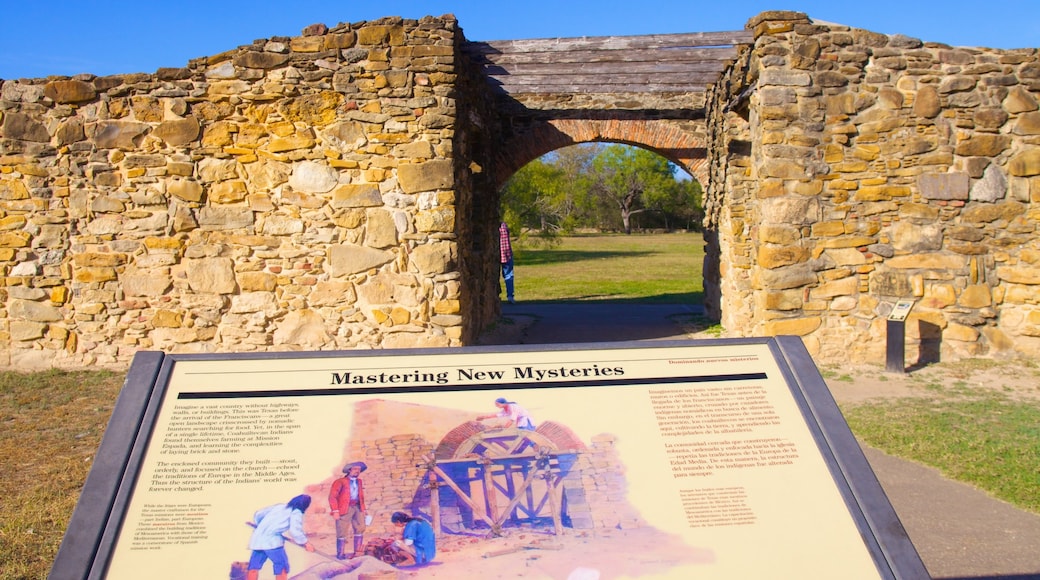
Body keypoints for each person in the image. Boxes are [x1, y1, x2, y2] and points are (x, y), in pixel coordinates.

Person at [246, 494, 315, 580]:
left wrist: (262, 527)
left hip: (258, 539)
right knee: (281, 566)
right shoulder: (296, 512)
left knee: (254, 567)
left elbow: (258, 515)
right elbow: (295, 531)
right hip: (272, 542)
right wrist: (306, 543)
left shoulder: (280, 506)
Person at [329, 461, 369, 559]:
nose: (357, 471)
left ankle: (357, 553)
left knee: (360, 528)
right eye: (355, 469)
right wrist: (335, 511)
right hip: (344, 508)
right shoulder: (340, 482)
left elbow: (361, 496)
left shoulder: (359, 481)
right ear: (349, 470)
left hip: (357, 507)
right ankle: (340, 554)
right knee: (341, 530)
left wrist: (363, 509)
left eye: (359, 470)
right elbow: (332, 497)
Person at [499, 221, 515, 304]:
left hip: (499, 255)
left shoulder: (498, 227)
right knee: (509, 275)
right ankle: (510, 296)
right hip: (507, 255)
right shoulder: (503, 225)